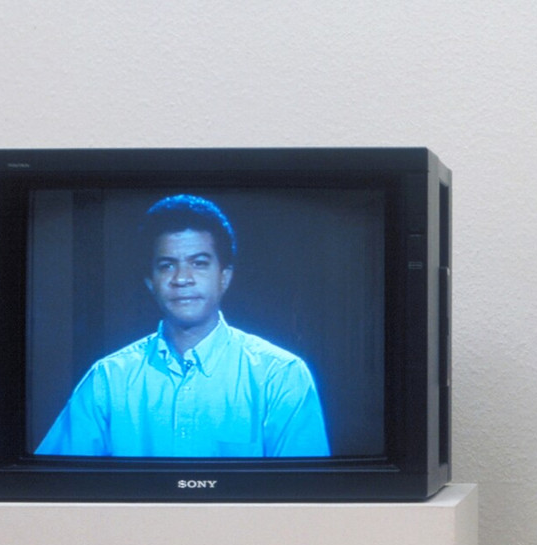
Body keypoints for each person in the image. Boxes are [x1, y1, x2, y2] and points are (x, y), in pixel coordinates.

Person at [36, 194, 330, 458]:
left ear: (224, 276)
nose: (182, 279)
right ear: (150, 282)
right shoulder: (109, 380)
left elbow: (305, 494)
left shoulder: (280, 376)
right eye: (167, 265)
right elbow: (53, 485)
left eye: (199, 263)